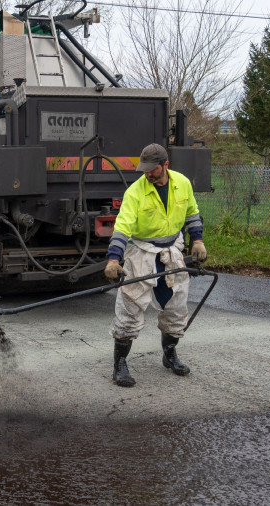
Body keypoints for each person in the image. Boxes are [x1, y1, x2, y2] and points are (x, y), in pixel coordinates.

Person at [104, 143, 207, 387]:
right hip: (141, 251)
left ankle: (170, 355)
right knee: (130, 306)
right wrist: (113, 258)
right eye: (145, 170)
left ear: (165, 165)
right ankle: (119, 364)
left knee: (176, 306)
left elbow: (192, 213)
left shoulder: (182, 183)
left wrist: (198, 240)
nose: (148, 174)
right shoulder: (135, 192)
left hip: (171, 251)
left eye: (152, 170)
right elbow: (122, 227)